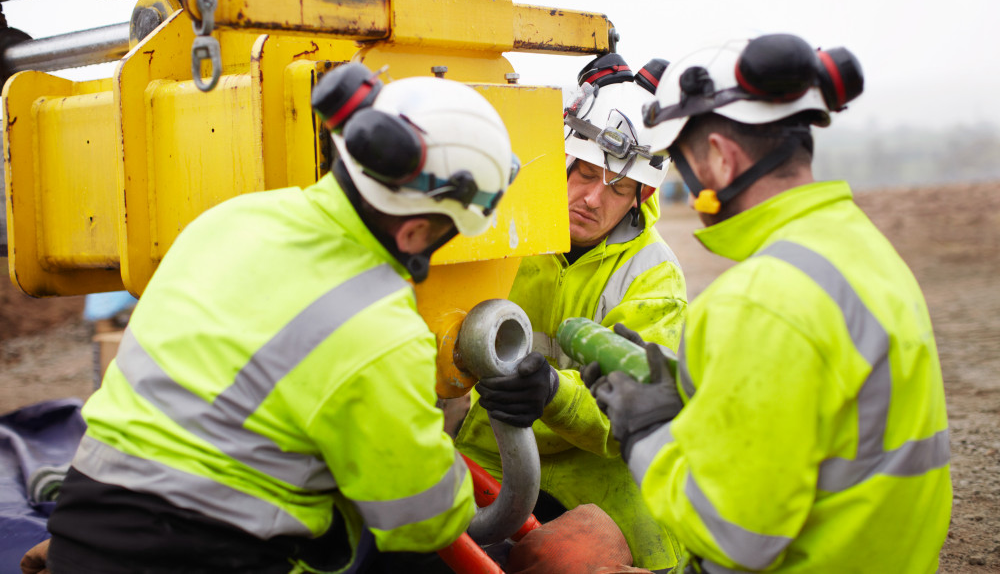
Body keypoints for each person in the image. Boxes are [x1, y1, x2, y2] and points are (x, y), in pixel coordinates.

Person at [40, 64, 519, 574]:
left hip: (81, 528)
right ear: (416, 232)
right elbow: (421, 521)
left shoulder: (230, 219)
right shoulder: (380, 331)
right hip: (205, 557)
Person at [585, 34, 952, 572]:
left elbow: (734, 535)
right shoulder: (867, 250)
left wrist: (648, 433)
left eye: (682, 164)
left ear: (719, 158)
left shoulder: (757, 300)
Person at [456, 54, 688, 571]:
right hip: (495, 450)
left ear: (641, 196)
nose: (591, 198)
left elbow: (632, 414)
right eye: (584, 172)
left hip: (599, 480)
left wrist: (552, 395)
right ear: (562, 161)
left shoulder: (654, 277)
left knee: (564, 559)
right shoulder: (508, 234)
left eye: (618, 187)